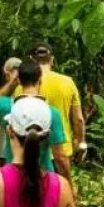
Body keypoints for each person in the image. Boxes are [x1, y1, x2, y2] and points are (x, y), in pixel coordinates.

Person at [0, 60, 66, 171]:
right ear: (40, 79)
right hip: (43, 174)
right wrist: (68, 183)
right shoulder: (52, 113)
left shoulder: (5, 106)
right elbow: (59, 156)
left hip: (13, 172)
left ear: (19, 80)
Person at [33, 45, 86, 181]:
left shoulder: (25, 84)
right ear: (52, 60)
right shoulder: (67, 82)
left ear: (32, 60)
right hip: (62, 149)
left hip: (33, 152)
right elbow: (78, 119)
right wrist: (80, 142)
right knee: (61, 195)